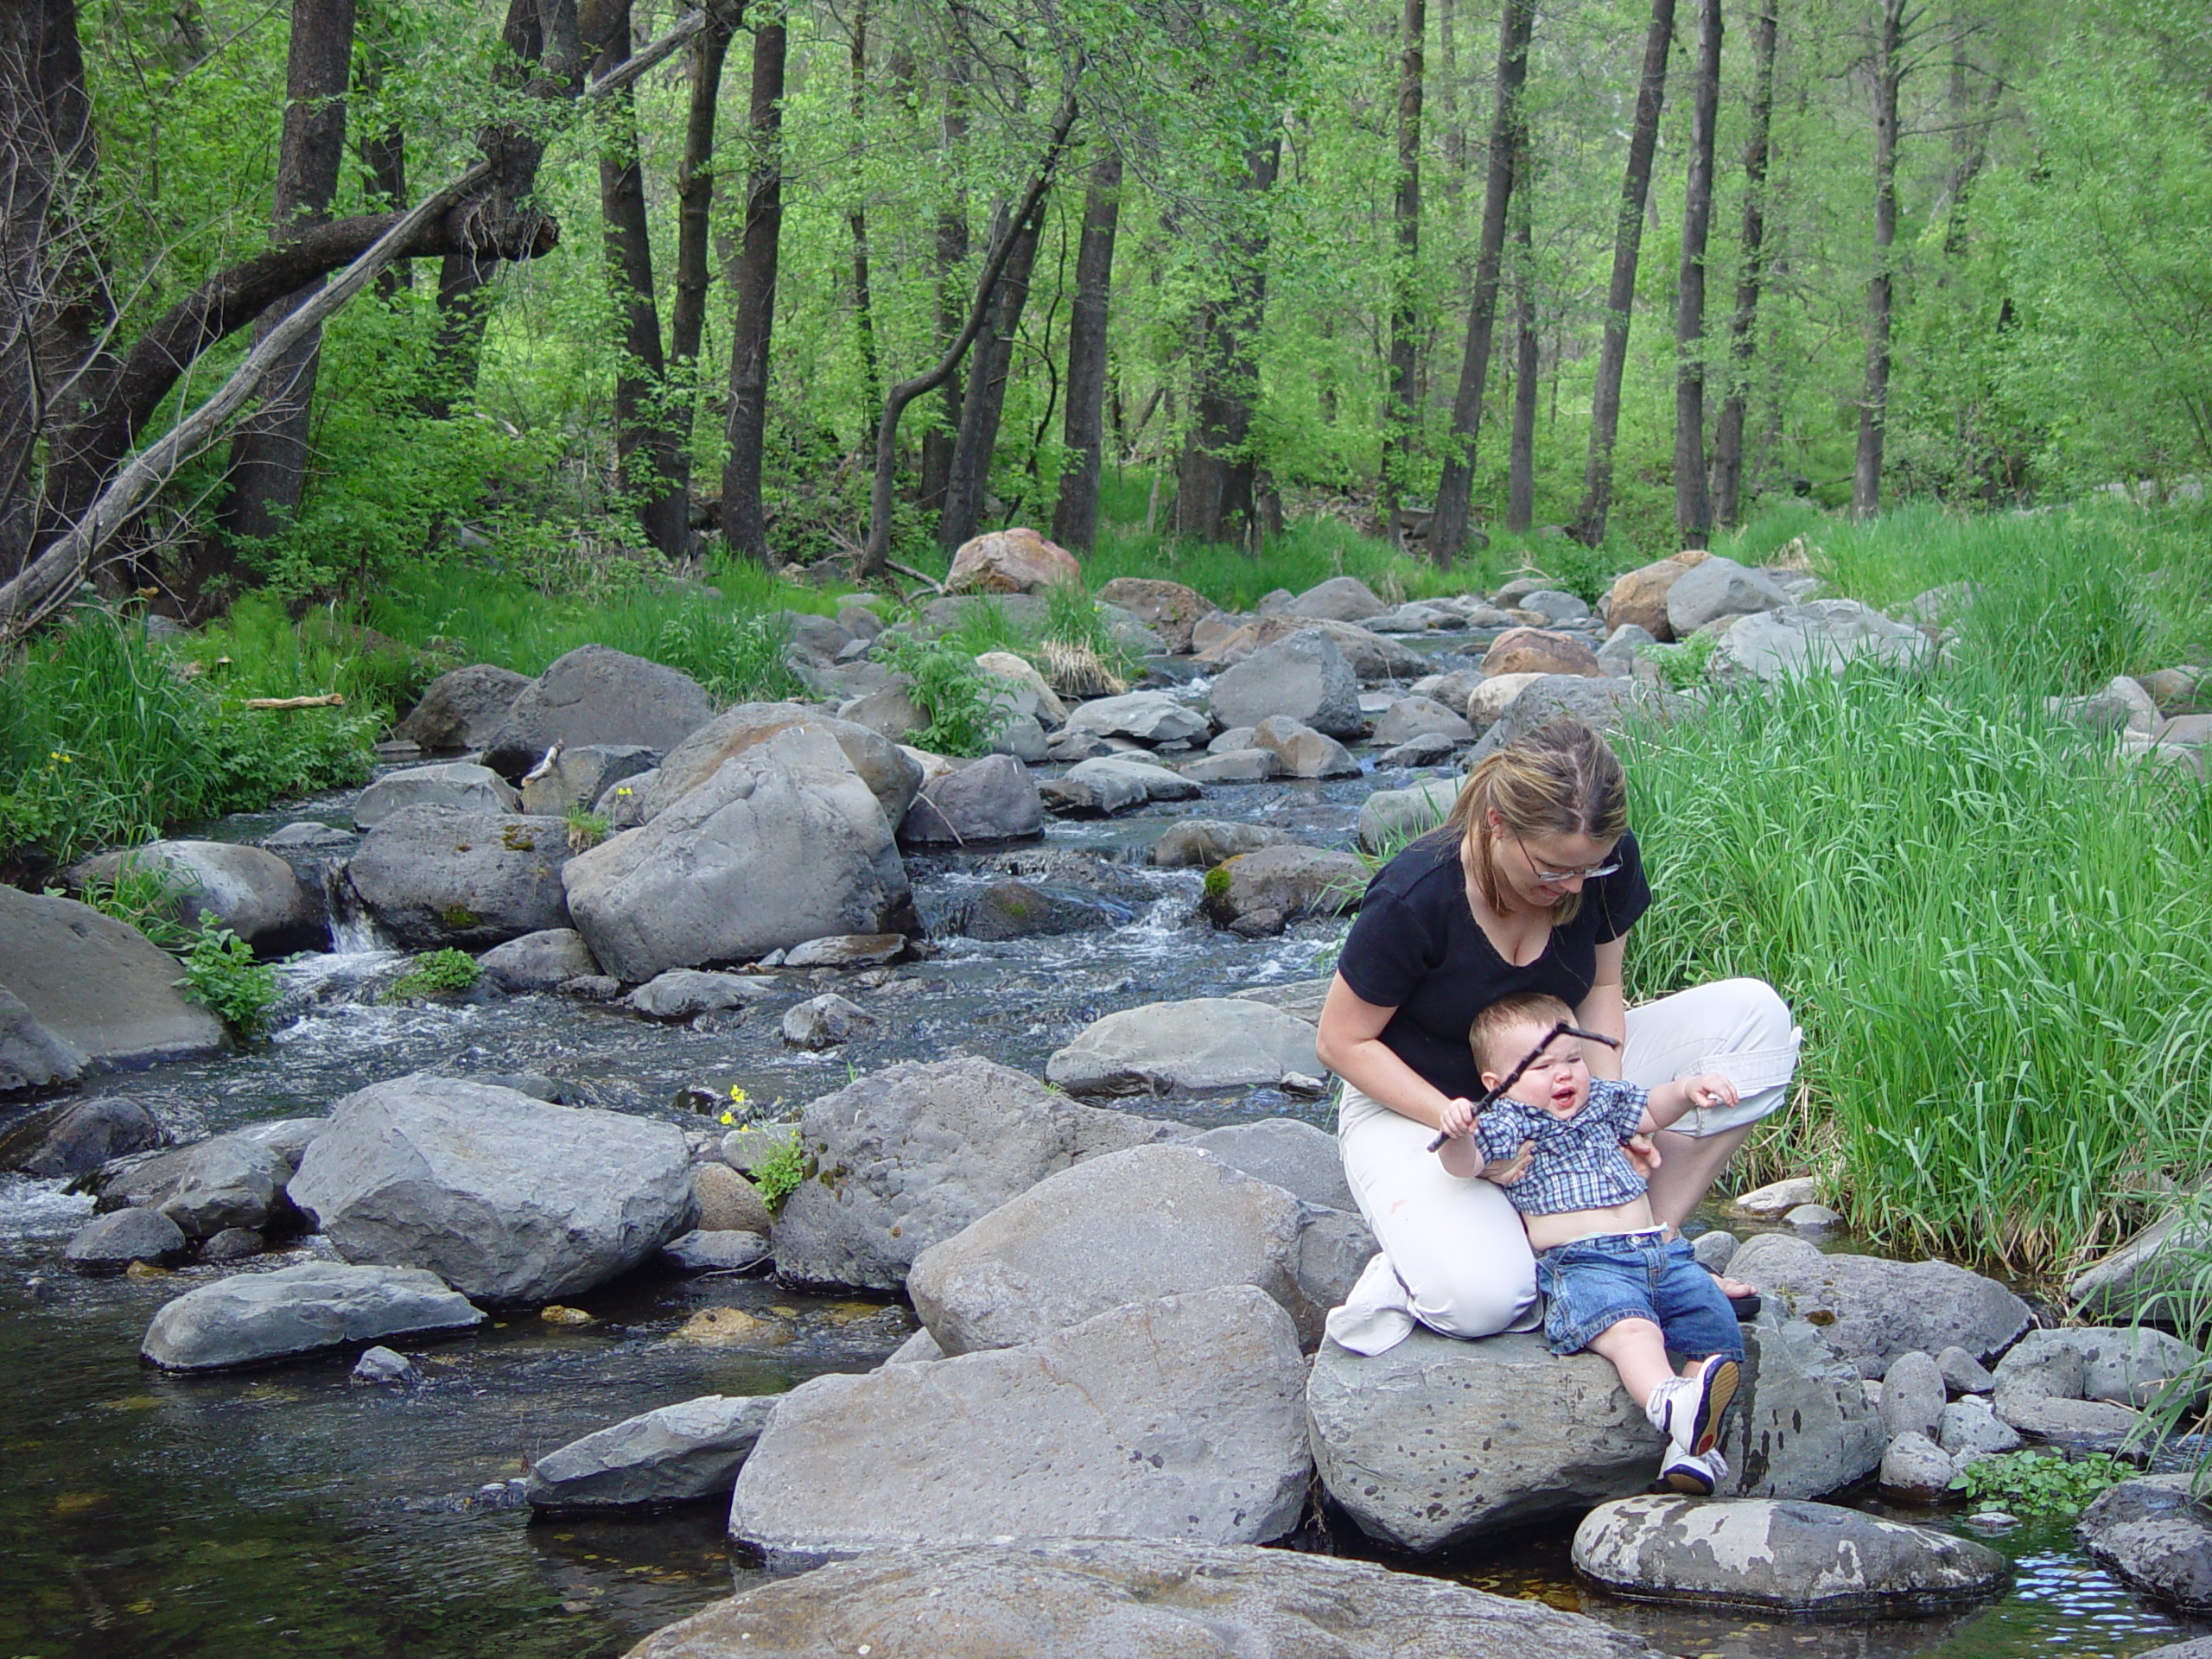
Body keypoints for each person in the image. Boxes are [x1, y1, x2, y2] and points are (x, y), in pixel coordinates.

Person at [1314, 714, 1802, 1356]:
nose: (1573, 887)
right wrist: (1466, 1128)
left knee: (1756, 1023)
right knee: (1484, 1300)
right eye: (1551, 870)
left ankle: (1642, 1256)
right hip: (1421, 1108)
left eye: (1589, 870)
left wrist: (1615, 1110)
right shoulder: (1416, 895)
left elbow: (1601, 989)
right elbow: (1341, 1044)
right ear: (1497, 825)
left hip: (1561, 1079)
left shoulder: (1601, 862)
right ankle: (1443, 1265)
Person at [1440, 993, 1745, 1494]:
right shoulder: (1508, 1123)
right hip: (1584, 1263)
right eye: (1542, 1067)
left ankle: (1688, 1446)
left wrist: (1688, 1089)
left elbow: (1648, 1109)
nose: (1565, 1076)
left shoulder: (1600, 1101)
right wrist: (1456, 1133)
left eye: (1574, 1060)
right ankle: (1669, 1400)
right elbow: (1464, 1164)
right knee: (1631, 1329)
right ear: (1497, 1086)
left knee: (1713, 1328)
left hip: (1659, 1252)